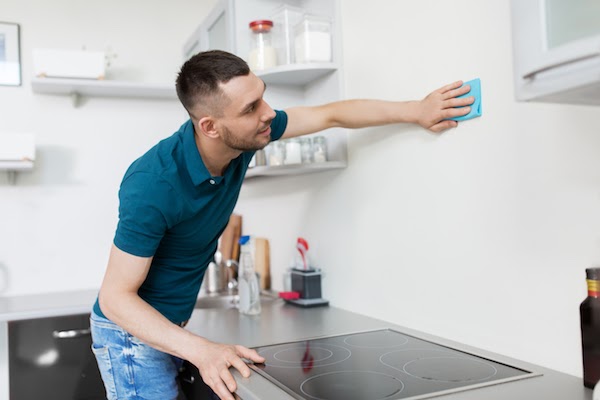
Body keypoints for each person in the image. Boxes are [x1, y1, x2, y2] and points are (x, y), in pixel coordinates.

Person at [90, 50, 474, 400]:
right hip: (130, 337)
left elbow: (331, 114)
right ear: (209, 126)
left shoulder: (244, 137)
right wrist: (201, 349)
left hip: (171, 326)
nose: (269, 113)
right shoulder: (153, 183)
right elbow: (115, 298)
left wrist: (417, 110)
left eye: (263, 95)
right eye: (251, 107)